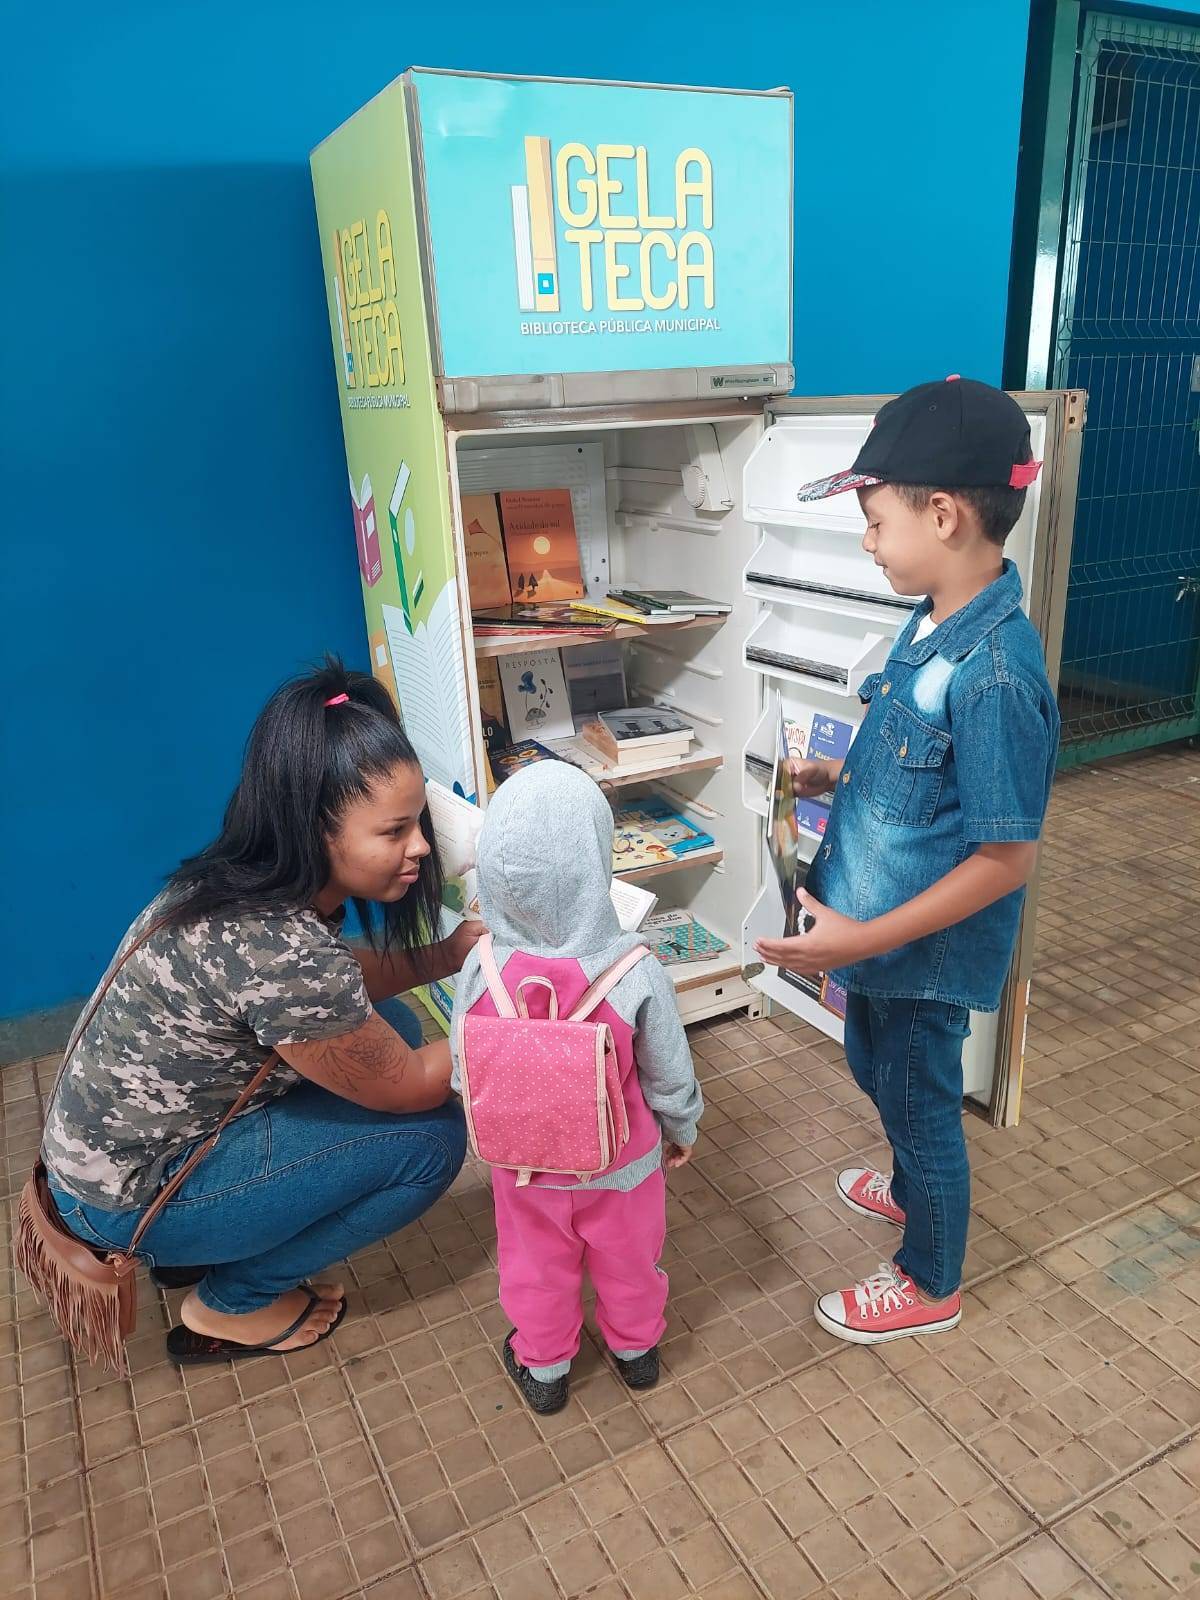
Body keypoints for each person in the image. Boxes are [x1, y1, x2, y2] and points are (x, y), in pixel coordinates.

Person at [41, 658, 482, 1363]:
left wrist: (447, 955)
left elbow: (337, 984)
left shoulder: (247, 881)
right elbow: (412, 1086)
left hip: (108, 1156)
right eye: (394, 832)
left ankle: (210, 1239)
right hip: (122, 1200)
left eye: (419, 823)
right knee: (430, 1141)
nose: (422, 848)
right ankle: (229, 1302)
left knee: (393, 1026)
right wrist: (522, 1018)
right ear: (316, 831)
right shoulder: (281, 951)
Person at [755, 377, 1059, 1345]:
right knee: (870, 1062)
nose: (868, 539)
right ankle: (909, 1187)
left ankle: (930, 1276)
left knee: (922, 1104)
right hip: (875, 933)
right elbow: (922, 770)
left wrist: (866, 935)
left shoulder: (999, 673)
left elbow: (1006, 856)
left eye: (876, 518)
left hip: (915, 948)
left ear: (944, 512)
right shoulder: (928, 620)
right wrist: (829, 772)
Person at [450, 761, 702, 1413]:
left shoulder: (480, 970)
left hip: (526, 1168)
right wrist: (680, 1129)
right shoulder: (636, 971)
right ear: (598, 858)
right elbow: (669, 1073)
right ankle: (635, 1351)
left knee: (535, 1267)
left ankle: (546, 1369)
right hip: (625, 1165)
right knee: (630, 1262)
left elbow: (463, 1070)